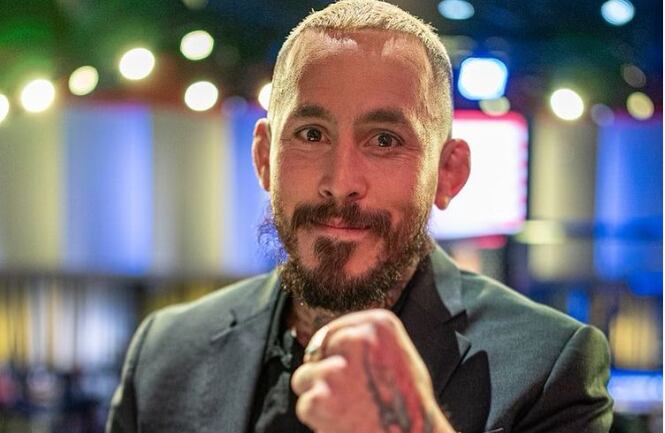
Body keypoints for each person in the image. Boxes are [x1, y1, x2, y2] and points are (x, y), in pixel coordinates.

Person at [106, 1, 613, 432]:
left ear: (448, 173)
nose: (341, 180)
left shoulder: (550, 367)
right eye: (311, 134)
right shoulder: (165, 354)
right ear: (264, 158)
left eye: (385, 140)